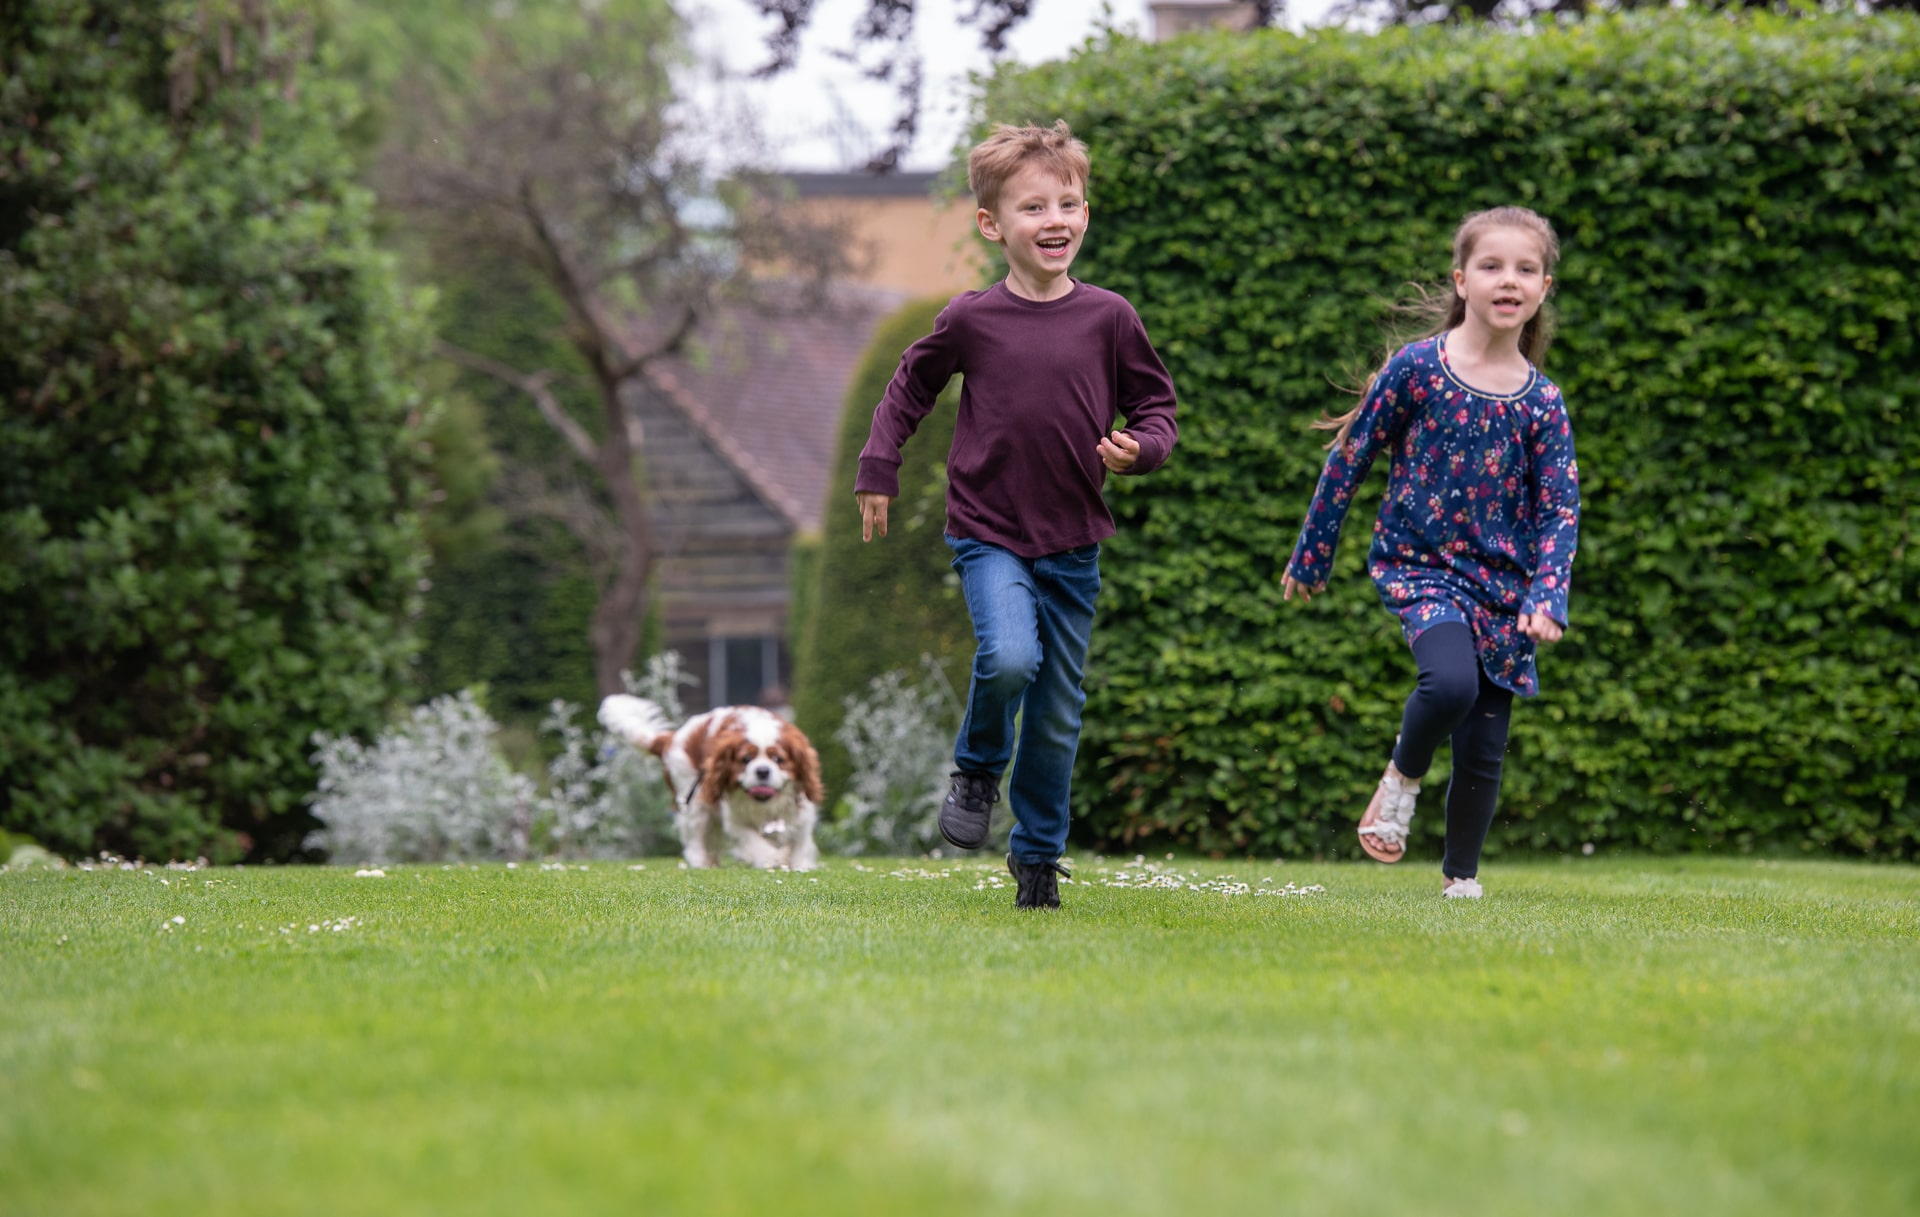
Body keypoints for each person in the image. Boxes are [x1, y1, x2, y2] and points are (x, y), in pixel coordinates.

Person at [854, 121, 1180, 910]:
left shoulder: (1110, 317)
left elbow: (1156, 407)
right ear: (992, 224)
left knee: (1058, 714)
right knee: (1007, 658)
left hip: (1073, 543)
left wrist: (1142, 449)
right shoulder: (973, 319)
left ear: (1086, 213)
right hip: (989, 531)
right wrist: (879, 466)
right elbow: (910, 387)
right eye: (1033, 207)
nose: (1054, 219)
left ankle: (1036, 858)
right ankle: (976, 769)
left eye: (1067, 203)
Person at [1281, 206, 1580, 899]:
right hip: (1422, 568)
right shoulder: (1418, 368)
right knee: (1449, 684)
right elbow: (1351, 456)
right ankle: (1400, 780)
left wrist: (1546, 595)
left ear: (1543, 289)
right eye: (1492, 265)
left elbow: (1560, 510)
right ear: (1462, 280)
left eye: (1526, 269)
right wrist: (1312, 552)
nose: (1509, 280)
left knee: (1483, 744)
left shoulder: (1543, 403)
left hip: (1505, 587)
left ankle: (1460, 881)